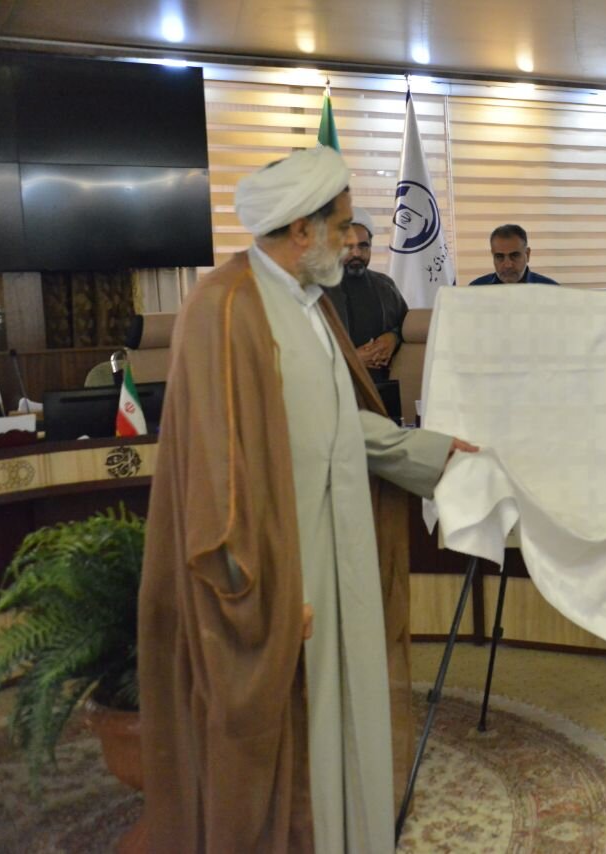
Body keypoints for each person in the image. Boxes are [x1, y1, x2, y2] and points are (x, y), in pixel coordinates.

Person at [137, 146, 477, 853]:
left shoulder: (309, 302)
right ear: (302, 230)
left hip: (339, 552)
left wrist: (430, 450)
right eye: (344, 226)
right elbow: (214, 473)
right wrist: (258, 592)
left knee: (346, 715)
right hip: (279, 569)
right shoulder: (225, 308)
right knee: (290, 740)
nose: (354, 242)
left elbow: (339, 423)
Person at [322, 207, 409, 382]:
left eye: (363, 246)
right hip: (333, 387)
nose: (356, 253)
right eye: (348, 247)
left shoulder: (384, 286)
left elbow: (405, 325)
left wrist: (393, 338)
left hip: (382, 386)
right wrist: (351, 361)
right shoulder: (314, 290)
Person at [468, 223, 559, 285]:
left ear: (527, 254)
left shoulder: (552, 291)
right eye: (499, 256)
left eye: (515, 255)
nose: (508, 265)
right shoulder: (476, 291)